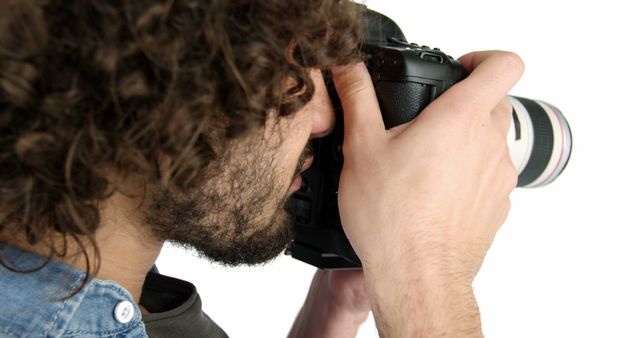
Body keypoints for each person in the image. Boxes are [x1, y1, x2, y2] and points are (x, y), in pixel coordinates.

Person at [0, 0, 522, 337]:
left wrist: (341, 307)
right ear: (165, 76)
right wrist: (424, 273)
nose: (324, 118)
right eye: (297, 69)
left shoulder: (101, 294)